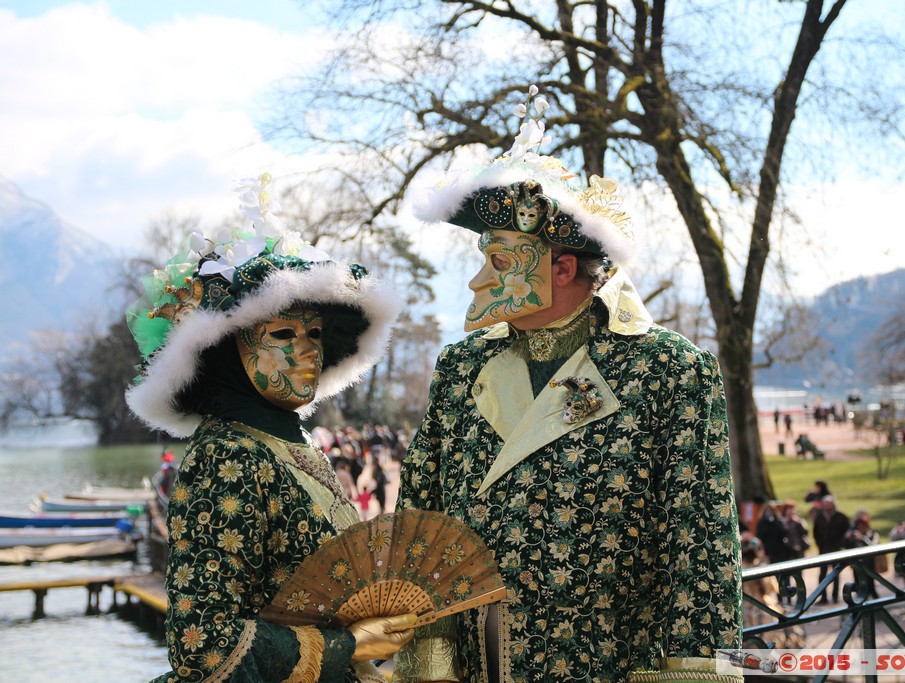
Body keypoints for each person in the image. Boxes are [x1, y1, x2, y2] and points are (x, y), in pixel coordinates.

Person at [393, 99, 742, 683]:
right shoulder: (460, 370)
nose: (479, 279)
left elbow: (700, 552)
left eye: (499, 259)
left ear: (560, 267)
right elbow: (422, 529)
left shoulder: (668, 372)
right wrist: (429, 665)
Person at [125, 174, 411, 683]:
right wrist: (350, 645)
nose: (308, 350)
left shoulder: (289, 444)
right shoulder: (226, 456)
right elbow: (204, 647)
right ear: (228, 354)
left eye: (316, 333)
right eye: (282, 333)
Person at [812, 495, 850, 604]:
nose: (828, 506)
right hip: (823, 549)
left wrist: (840, 545)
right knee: (822, 574)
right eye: (826, 504)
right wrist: (820, 545)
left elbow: (846, 533)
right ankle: (823, 597)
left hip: (836, 550)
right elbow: (815, 533)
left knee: (836, 574)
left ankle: (835, 596)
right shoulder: (819, 517)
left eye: (830, 504)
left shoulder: (841, 517)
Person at [842, 509, 880, 599]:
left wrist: (862, 538)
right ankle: (861, 604)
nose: (860, 527)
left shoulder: (872, 533)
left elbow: (873, 545)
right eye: (859, 525)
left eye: (862, 525)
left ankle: (876, 605)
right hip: (857, 563)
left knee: (871, 586)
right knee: (859, 585)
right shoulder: (853, 534)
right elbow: (845, 546)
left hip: (869, 564)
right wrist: (846, 537)